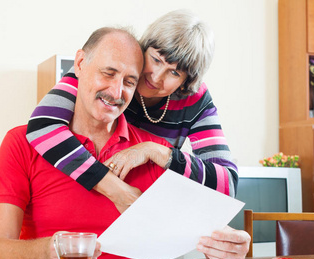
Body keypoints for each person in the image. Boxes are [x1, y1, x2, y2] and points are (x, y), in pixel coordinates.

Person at [0, 27, 250, 259]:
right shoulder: (22, 142)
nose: (116, 91)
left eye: (129, 82)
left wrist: (228, 245)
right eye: (108, 73)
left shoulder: (155, 151)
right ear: (79, 64)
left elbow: (202, 226)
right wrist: (45, 253)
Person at [26, 10, 239, 212]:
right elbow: (43, 124)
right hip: (83, 189)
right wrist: (111, 186)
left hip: (145, 206)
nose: (156, 77)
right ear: (144, 48)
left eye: (174, 72)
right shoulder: (111, 66)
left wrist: (155, 151)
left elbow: (227, 182)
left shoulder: (195, 99)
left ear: (186, 82)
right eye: (155, 59)